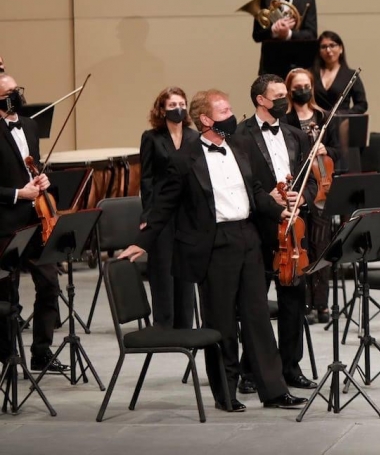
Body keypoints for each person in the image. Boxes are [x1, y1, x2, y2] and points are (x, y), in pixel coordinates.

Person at [119, 89, 305, 412]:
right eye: (224, 112)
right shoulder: (185, 159)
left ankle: (274, 391)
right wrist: (141, 241)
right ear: (206, 119)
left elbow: (255, 192)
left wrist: (280, 213)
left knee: (258, 318)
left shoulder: (240, 146)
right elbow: (163, 205)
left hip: (247, 237)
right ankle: (225, 393)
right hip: (214, 244)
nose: (231, 116)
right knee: (221, 323)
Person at [233, 74, 317, 393]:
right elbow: (242, 183)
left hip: (293, 230)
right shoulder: (240, 135)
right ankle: (250, 370)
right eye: (278, 96)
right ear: (261, 100)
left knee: (293, 302)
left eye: (285, 95)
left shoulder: (297, 135)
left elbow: (311, 180)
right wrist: (271, 203)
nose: (285, 100)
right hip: (259, 228)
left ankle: (290, 367)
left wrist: (302, 197)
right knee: (255, 304)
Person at [0, 74, 67, 374]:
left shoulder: (30, 125)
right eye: (9, 92)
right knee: (7, 294)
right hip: (6, 225)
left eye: (16, 90)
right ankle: (8, 358)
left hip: (37, 221)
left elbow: (33, 167)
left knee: (50, 284)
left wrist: (42, 179)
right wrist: (18, 194)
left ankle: (41, 351)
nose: (16, 95)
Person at [139, 87, 198, 329]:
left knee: (185, 270)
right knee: (162, 270)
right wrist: (147, 215)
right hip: (161, 212)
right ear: (162, 109)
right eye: (172, 105)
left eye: (181, 104)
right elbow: (147, 179)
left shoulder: (194, 137)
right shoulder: (151, 137)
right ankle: (163, 326)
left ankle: (185, 327)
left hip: (188, 213)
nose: (178, 109)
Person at [284, 67, 340, 322]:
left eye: (306, 86)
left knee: (321, 246)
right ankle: (304, 302)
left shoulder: (324, 117)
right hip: (297, 187)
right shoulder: (285, 120)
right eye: (297, 87)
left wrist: (326, 150)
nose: (303, 91)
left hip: (321, 187)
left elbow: (339, 152)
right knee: (301, 246)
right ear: (289, 90)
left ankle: (322, 303)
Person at [251, 0, 318, 74]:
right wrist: (273, 30)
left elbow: (312, 34)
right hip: (271, 64)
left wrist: (288, 34)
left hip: (300, 63)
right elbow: (257, 35)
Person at [314, 31, 367, 114]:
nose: (328, 50)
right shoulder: (310, 74)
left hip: (341, 120)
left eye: (332, 45)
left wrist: (342, 114)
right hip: (316, 120)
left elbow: (362, 105)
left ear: (341, 49)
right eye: (323, 47)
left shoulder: (351, 75)